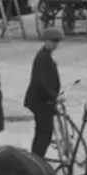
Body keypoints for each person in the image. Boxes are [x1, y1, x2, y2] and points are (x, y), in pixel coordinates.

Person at [24, 27, 63, 158]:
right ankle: (37, 158)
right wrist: (53, 96)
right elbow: (40, 82)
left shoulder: (46, 56)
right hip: (41, 102)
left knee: (42, 132)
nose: (55, 45)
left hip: (44, 101)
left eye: (57, 42)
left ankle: (36, 157)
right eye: (53, 41)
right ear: (45, 41)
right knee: (44, 133)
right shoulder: (42, 58)